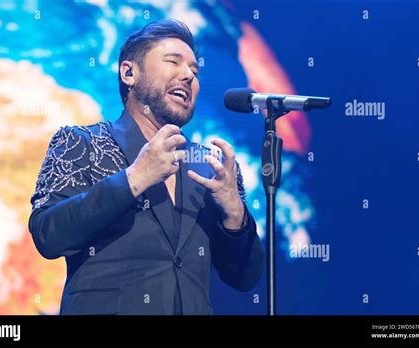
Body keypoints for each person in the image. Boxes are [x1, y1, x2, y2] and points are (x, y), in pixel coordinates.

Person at [29, 19, 264, 315]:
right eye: (173, 62)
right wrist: (134, 179)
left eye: (194, 70)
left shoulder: (210, 168)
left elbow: (244, 277)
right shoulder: (82, 143)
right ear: (129, 72)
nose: (188, 76)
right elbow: (48, 236)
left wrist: (234, 215)